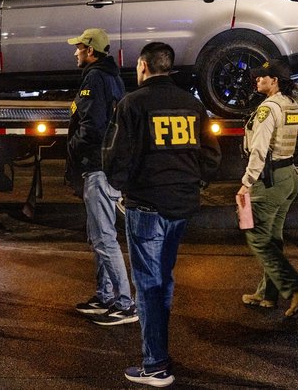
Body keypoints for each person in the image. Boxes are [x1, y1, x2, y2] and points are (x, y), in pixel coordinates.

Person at [103, 42, 221, 388]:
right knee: (163, 279)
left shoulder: (132, 104)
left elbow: (116, 157)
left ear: (143, 66)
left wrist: (124, 188)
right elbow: (211, 156)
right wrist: (192, 183)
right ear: (167, 67)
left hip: (146, 207)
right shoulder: (192, 105)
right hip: (180, 207)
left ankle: (155, 364)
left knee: (149, 284)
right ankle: (158, 353)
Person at [65, 28, 137, 326]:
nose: (76, 52)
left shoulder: (94, 77)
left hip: (97, 166)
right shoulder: (112, 77)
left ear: (91, 51)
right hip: (106, 166)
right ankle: (105, 296)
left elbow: (91, 125)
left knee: (103, 238)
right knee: (100, 236)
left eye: (79, 48)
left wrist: (73, 146)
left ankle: (124, 303)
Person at [236, 58, 298, 318]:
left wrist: (246, 183)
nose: (258, 79)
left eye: (263, 77)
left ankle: (296, 287)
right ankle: (267, 295)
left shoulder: (268, 109)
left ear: (275, 81)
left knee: (257, 236)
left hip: (269, 180)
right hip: (288, 176)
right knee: (273, 238)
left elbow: (259, 149)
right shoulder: (290, 105)